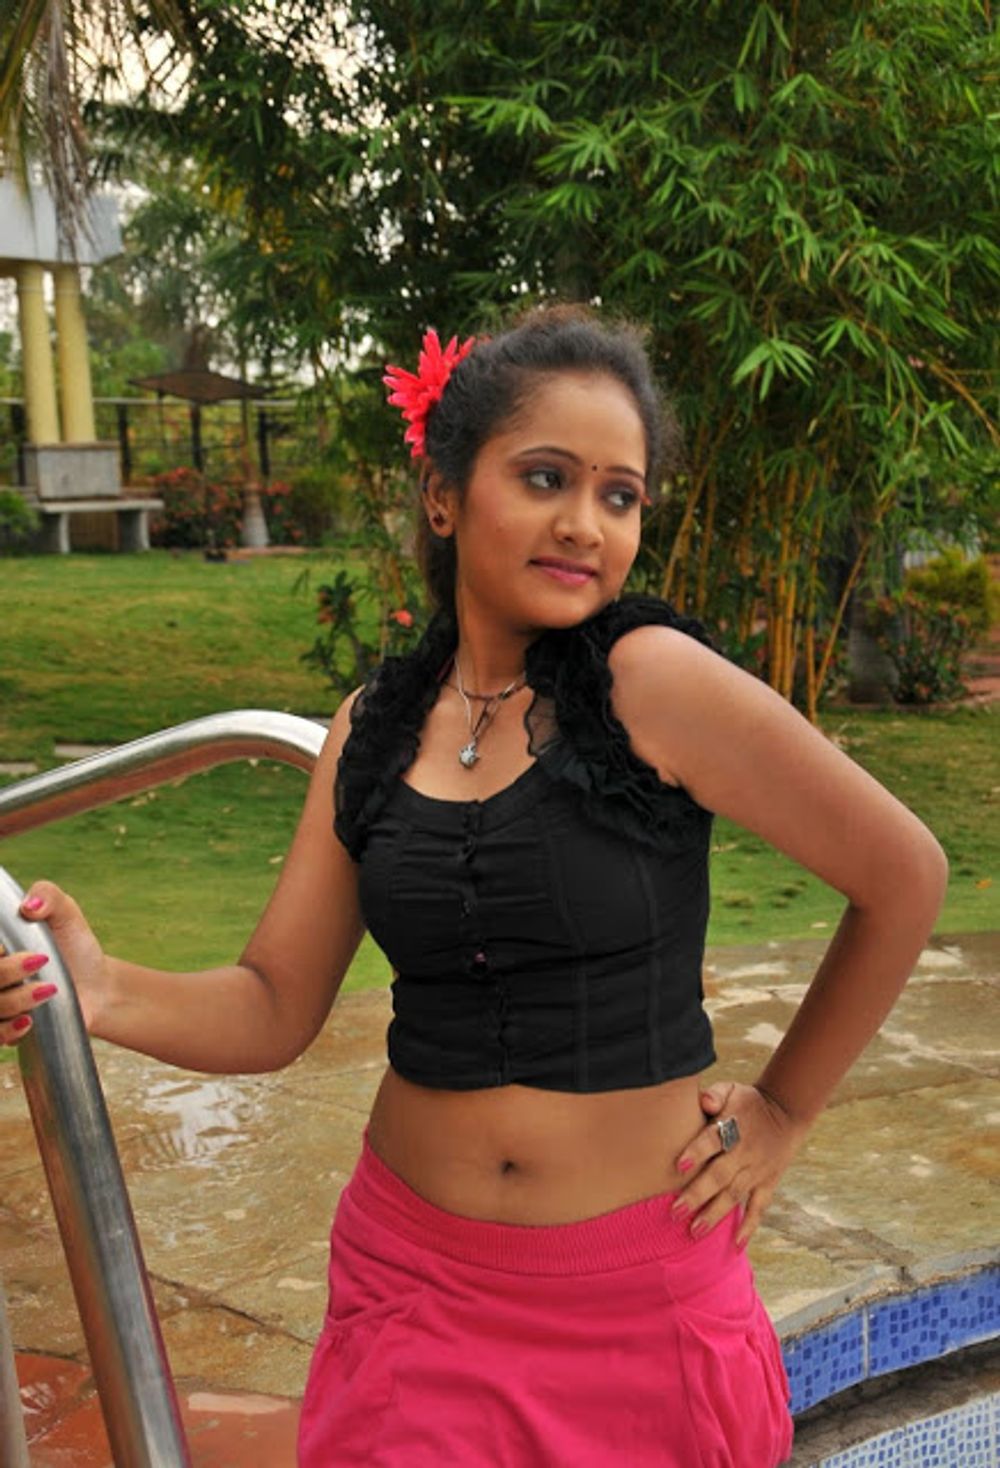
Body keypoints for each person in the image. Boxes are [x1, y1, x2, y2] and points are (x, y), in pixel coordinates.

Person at [1, 307, 948, 1467]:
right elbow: (272, 1002)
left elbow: (903, 875)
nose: (584, 522)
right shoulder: (374, 725)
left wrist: (786, 1109)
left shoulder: (654, 683)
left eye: (619, 495)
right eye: (545, 477)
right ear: (444, 495)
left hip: (635, 1301)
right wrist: (101, 987)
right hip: (412, 1285)